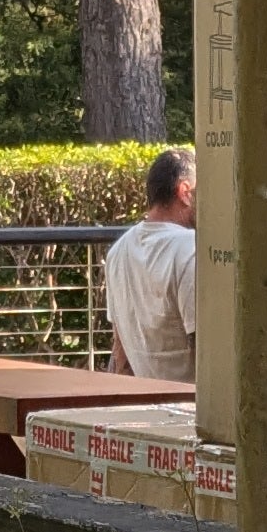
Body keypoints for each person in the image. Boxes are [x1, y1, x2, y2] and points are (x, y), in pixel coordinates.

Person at [103, 146, 199, 384]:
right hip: (192, 408)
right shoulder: (191, 247)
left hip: (145, 401)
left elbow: (120, 352)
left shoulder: (118, 251)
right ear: (185, 191)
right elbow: (208, 351)